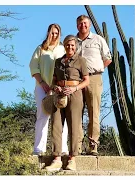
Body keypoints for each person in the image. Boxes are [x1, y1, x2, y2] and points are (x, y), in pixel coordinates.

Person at [45, 35, 90, 171]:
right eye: (67, 45)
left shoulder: (81, 60)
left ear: (75, 46)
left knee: (74, 126)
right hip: (59, 95)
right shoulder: (58, 61)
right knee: (56, 125)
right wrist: (55, 87)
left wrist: (75, 88)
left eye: (72, 45)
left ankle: (72, 159)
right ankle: (57, 158)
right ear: (64, 45)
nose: (70, 47)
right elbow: (53, 80)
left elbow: (86, 80)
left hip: (75, 94)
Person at [29, 23, 69, 156]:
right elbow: (34, 67)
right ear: (48, 33)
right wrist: (42, 83)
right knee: (42, 116)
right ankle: (39, 149)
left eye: (57, 33)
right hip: (42, 87)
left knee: (61, 118)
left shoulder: (63, 49)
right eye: (52, 32)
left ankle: (62, 149)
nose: (54, 35)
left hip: (59, 88)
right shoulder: (40, 49)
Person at [76, 15, 112, 155]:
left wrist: (100, 68)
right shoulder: (73, 41)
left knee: (94, 113)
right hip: (77, 81)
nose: (82, 26)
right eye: (80, 24)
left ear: (89, 25)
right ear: (77, 25)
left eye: (85, 23)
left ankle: (93, 146)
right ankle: (77, 146)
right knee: (76, 113)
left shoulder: (98, 39)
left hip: (94, 79)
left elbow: (108, 58)